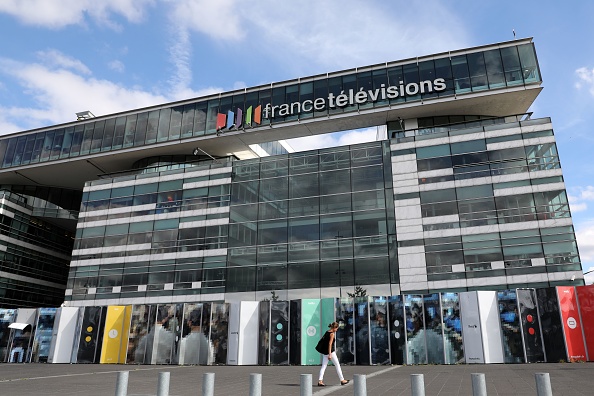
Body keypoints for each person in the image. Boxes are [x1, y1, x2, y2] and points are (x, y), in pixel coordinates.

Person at [316, 322, 350, 387]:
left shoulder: (327, 332)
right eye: (337, 328)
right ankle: (342, 380)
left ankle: (320, 380)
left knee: (323, 366)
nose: (337, 330)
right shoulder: (332, 334)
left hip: (325, 352)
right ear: (334, 328)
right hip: (330, 352)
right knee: (337, 365)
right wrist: (330, 354)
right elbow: (330, 344)